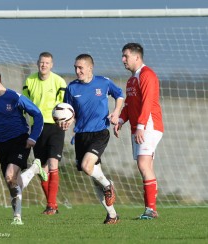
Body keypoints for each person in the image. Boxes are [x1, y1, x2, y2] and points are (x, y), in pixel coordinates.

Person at [0, 65, 48, 225]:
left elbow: (37, 114)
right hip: (2, 144)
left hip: (20, 140)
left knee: (10, 175)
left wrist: (33, 137)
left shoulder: (14, 97)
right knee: (12, 183)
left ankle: (17, 216)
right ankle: (17, 217)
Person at [60, 54, 124, 224]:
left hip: (99, 133)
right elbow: (70, 112)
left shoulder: (103, 82)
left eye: (80, 67)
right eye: (75, 67)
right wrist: (67, 122)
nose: (77, 71)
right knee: (95, 179)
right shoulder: (72, 88)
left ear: (90, 68)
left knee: (87, 167)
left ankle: (108, 185)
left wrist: (116, 112)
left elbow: (119, 95)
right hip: (81, 136)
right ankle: (112, 215)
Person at [113, 43, 164, 219]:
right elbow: (129, 104)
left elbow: (148, 102)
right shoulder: (131, 79)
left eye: (125, 56)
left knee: (143, 165)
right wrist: (120, 120)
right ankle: (149, 209)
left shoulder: (147, 75)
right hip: (139, 126)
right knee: (145, 165)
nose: (123, 60)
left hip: (149, 124)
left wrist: (141, 126)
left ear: (137, 57)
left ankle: (151, 210)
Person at [23, 52, 67, 215]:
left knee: (53, 164)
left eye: (47, 63)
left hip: (55, 126)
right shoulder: (29, 81)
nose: (44, 65)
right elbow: (24, 104)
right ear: (37, 63)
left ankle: (51, 205)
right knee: (42, 169)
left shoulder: (59, 81)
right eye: (42, 62)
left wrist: (67, 120)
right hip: (37, 127)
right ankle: (52, 205)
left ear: (52, 65)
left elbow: (66, 106)